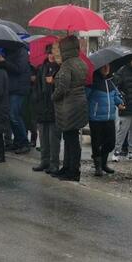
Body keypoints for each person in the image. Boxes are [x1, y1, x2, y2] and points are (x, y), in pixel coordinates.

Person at [51, 36, 89, 181]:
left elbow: (63, 86)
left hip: (69, 106)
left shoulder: (67, 65)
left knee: (71, 140)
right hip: (79, 103)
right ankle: (67, 168)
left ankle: (73, 171)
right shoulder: (81, 62)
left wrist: (53, 96)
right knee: (71, 139)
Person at [87, 64, 124, 177]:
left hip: (109, 117)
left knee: (110, 143)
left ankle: (103, 163)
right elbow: (85, 96)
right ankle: (98, 166)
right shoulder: (92, 82)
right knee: (96, 143)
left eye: (108, 66)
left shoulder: (110, 82)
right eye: (103, 66)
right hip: (96, 118)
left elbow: (115, 95)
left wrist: (119, 103)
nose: (106, 68)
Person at [32, 44, 61, 174]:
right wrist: (37, 100)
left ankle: (54, 163)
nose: (51, 55)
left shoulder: (60, 69)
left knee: (53, 138)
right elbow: (36, 87)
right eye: (50, 53)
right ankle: (44, 161)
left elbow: (62, 88)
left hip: (55, 108)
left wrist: (54, 83)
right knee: (43, 137)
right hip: (42, 107)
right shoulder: (41, 68)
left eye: (54, 53)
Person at [5, 44, 32, 154]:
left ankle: (24, 142)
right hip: (12, 88)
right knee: (12, 116)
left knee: (14, 115)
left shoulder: (22, 51)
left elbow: (19, 69)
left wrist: (4, 63)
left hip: (19, 88)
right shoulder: (9, 51)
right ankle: (17, 142)